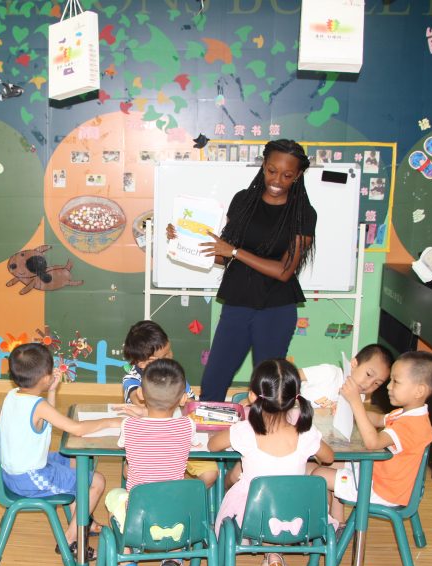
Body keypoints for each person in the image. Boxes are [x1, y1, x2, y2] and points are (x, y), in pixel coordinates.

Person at [191, 139, 317, 402]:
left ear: (298, 175)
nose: (277, 180)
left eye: (287, 175)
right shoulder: (243, 200)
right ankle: (207, 435)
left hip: (275, 309)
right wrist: (183, 240)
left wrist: (234, 252)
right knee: (213, 380)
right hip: (237, 303)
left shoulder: (303, 213)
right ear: (263, 165)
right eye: (272, 170)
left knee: (268, 388)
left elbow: (284, 270)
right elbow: (224, 256)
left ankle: (265, 437)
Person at [210, 358, 335, 566]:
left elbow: (212, 446)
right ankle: (273, 557)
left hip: (251, 514)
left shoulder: (245, 430)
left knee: (235, 477)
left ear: (251, 396)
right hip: (297, 514)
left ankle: (271, 557)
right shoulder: (305, 432)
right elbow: (328, 458)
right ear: (295, 398)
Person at [0, 343, 118, 560]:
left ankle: (82, 520)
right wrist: (111, 421)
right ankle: (71, 540)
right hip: (28, 478)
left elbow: (45, 419)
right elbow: (77, 429)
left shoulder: (13, 395)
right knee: (96, 481)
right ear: (45, 377)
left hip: (20, 470)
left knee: (73, 458)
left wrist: (51, 391)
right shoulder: (37, 405)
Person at [104, 358, 203, 566]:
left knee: (114, 500)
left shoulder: (129, 426)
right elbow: (193, 444)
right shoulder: (187, 426)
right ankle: (174, 557)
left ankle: (127, 563)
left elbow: (130, 456)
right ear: (182, 399)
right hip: (176, 511)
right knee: (174, 503)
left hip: (139, 515)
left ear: (141, 395)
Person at [313, 351, 432, 523]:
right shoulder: (406, 415)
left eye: (396, 381)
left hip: (383, 490)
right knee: (330, 462)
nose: (388, 386)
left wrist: (356, 402)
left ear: (419, 391)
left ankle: (325, 525)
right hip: (380, 477)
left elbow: (373, 443)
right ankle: (338, 521)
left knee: (319, 474)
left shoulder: (411, 425)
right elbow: (378, 419)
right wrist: (349, 410)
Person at [121, 320, 216, 489]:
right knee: (129, 473)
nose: (170, 357)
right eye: (164, 356)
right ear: (142, 363)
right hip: (148, 447)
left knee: (210, 474)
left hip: (179, 444)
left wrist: (189, 403)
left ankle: (182, 495)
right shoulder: (133, 379)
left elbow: (192, 405)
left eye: (169, 350)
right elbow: (136, 397)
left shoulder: (174, 376)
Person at [300, 344, 394, 412]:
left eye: (377, 383)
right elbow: (292, 375)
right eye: (369, 374)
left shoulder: (359, 398)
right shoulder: (329, 373)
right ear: (354, 364)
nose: (369, 384)